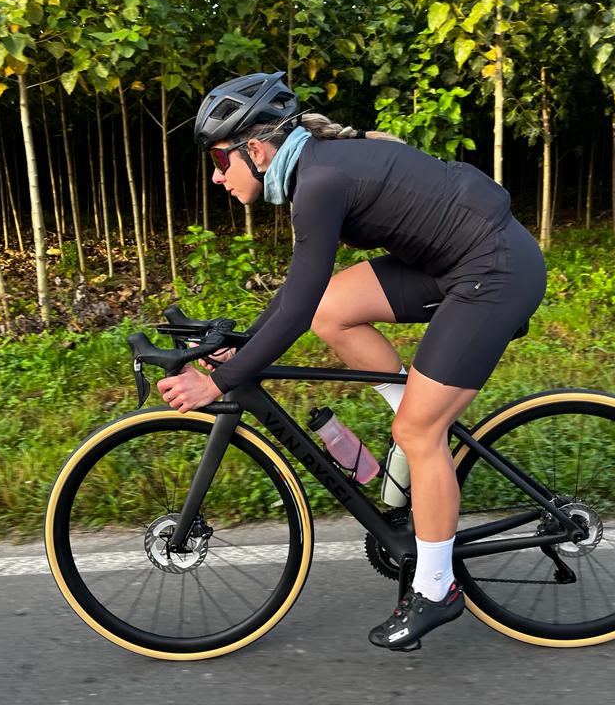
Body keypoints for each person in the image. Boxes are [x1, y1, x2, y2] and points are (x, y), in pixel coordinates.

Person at [157, 71, 547, 651]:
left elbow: (294, 307)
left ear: (256, 150)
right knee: (333, 311)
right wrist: (242, 344)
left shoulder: (319, 182)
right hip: (452, 261)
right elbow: (304, 299)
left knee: (419, 430)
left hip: (494, 272)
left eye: (219, 159)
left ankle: (436, 588)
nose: (216, 175)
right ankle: (413, 424)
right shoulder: (315, 167)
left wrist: (219, 382)